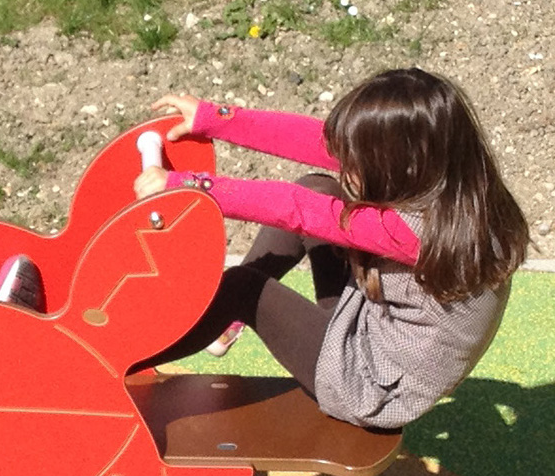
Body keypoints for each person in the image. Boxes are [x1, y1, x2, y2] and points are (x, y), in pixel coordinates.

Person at [132, 68, 529, 429]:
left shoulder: (417, 233)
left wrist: (190, 186)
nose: (345, 164)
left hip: (370, 385)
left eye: (359, 161)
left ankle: (127, 361)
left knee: (244, 288)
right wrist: (214, 118)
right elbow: (319, 145)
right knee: (318, 187)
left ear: (402, 165)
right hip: (376, 326)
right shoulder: (461, 190)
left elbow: (297, 211)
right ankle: (224, 322)